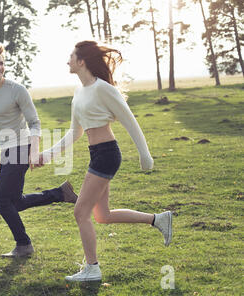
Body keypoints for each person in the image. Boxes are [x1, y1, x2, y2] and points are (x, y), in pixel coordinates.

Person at [39, 41, 173, 281]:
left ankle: (92, 268)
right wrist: (48, 154)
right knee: (102, 215)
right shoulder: (79, 92)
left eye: (71, 56)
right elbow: (75, 132)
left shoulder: (103, 89)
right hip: (97, 154)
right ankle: (158, 220)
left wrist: (145, 155)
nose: (67, 60)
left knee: (81, 212)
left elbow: (129, 120)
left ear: (81, 61)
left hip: (107, 154)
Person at [0, 44, 78, 258]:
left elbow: (35, 122)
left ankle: (23, 244)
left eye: (1, 63)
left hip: (22, 146)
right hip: (6, 150)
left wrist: (34, 151)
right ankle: (60, 193)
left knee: (0, 200)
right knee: (15, 202)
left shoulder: (16, 90)